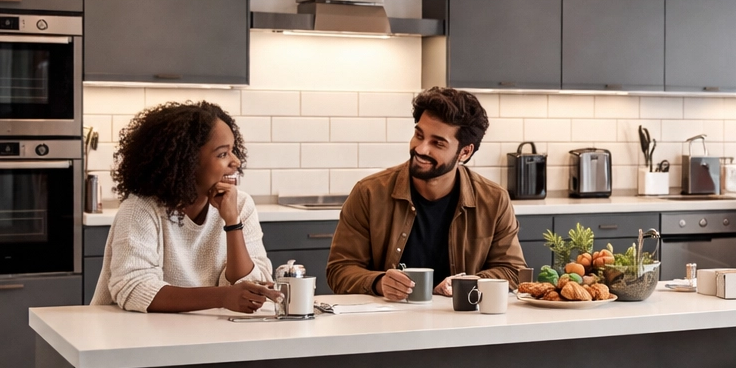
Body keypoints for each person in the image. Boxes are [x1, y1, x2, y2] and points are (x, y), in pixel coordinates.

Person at [327, 86, 524, 298]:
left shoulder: (494, 199)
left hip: (462, 322)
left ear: (464, 152)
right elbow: (340, 270)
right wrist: (378, 282)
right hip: (388, 321)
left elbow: (512, 270)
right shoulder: (369, 192)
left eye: (437, 143)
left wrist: (466, 283)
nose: (421, 149)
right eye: (419, 135)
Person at [92, 101, 278, 313]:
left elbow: (252, 288)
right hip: (136, 334)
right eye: (222, 154)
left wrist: (232, 223)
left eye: (233, 150)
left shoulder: (240, 204)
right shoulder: (141, 208)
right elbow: (134, 288)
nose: (235, 161)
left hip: (209, 332)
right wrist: (223, 296)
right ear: (188, 162)